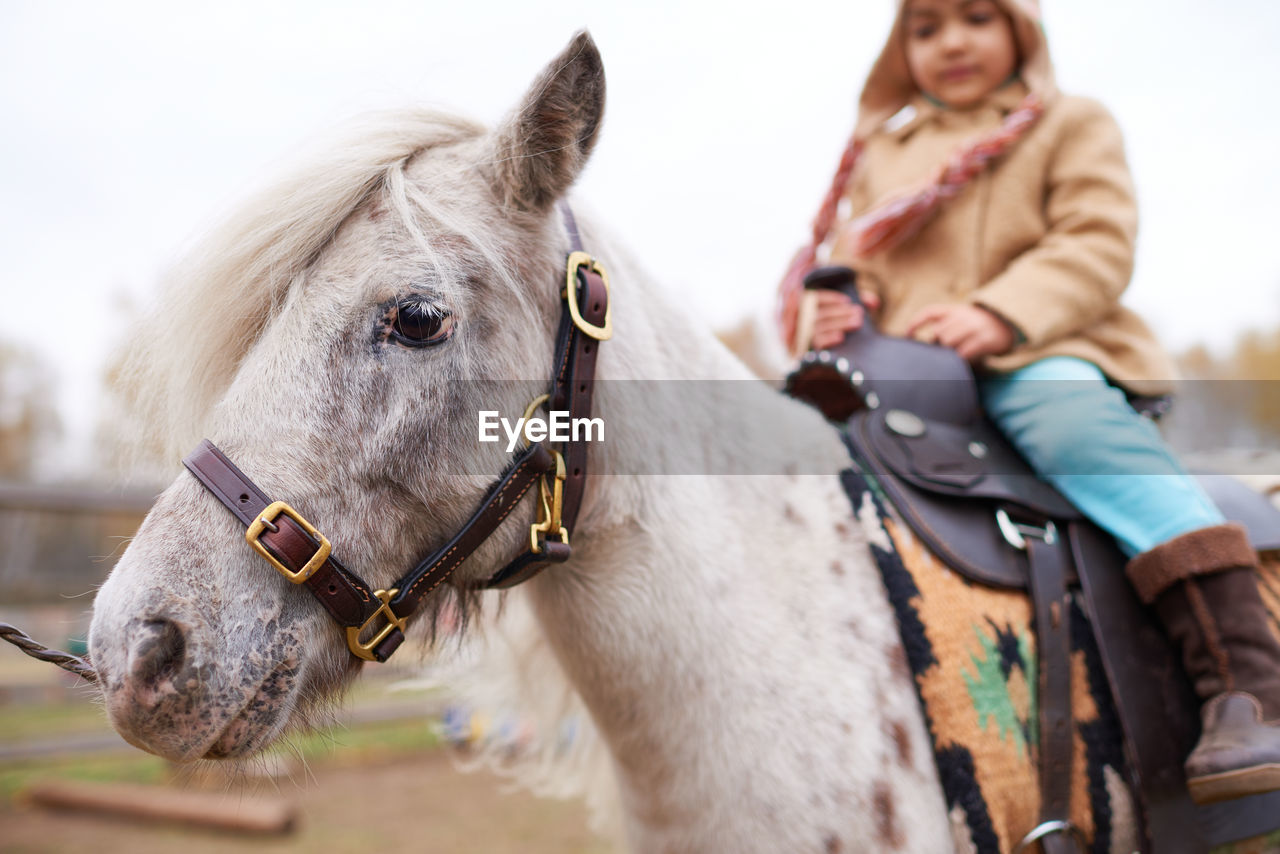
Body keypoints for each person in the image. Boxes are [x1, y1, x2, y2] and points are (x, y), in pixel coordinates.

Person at [779, 0, 1280, 805]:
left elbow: (1095, 242)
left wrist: (999, 314)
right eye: (927, 27)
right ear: (900, 49)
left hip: (1036, 349)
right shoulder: (881, 156)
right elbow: (855, 265)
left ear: (1021, 29)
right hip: (907, 376)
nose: (952, 42)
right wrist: (833, 312)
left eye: (977, 17)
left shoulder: (1069, 123)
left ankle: (1247, 682)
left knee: (1079, 434)